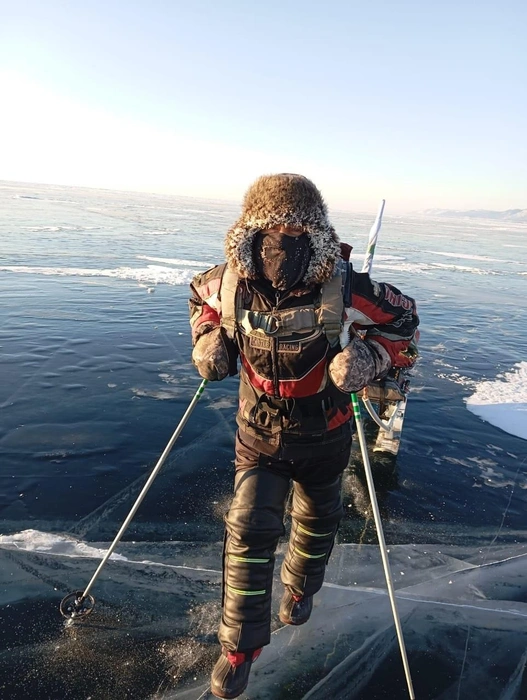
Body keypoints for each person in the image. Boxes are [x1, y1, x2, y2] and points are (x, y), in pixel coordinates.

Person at [188, 173, 419, 699]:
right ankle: (238, 651)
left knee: (316, 528)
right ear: (251, 227)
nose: (281, 236)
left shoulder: (349, 287)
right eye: (271, 224)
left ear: (314, 229)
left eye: (295, 226)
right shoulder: (228, 282)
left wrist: (369, 357)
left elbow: (404, 322)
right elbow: (199, 300)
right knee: (248, 532)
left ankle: (300, 590)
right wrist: (207, 342)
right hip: (260, 432)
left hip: (328, 433)